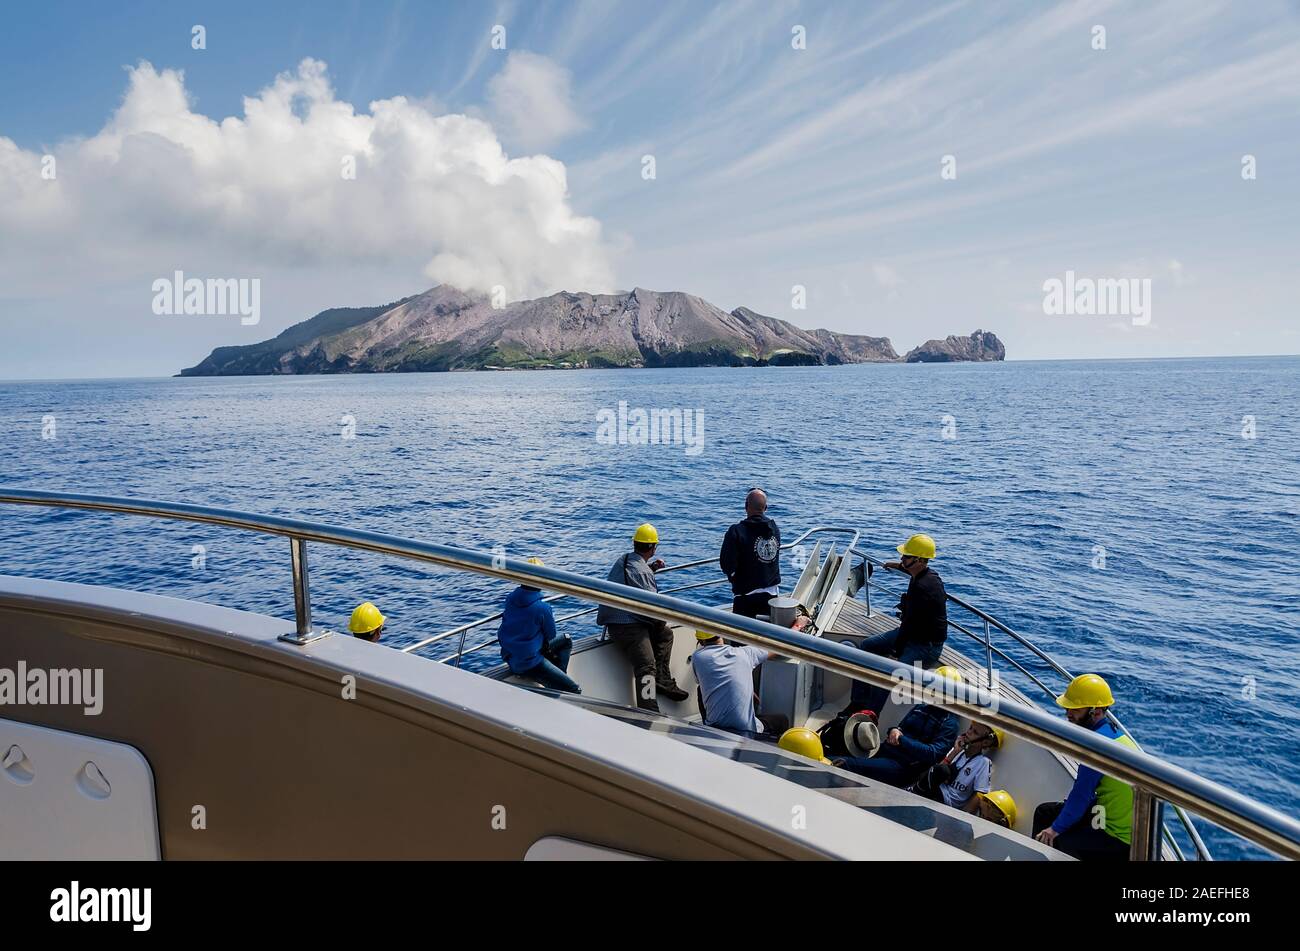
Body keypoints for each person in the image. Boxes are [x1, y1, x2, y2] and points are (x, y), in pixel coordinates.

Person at [1032, 674, 1134, 861]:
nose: (1068, 714)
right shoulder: (1113, 734)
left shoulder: (1096, 747)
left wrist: (1054, 830)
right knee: (1045, 812)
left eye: (1075, 709)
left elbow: (1081, 796)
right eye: (1068, 708)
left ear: (1095, 711)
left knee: (1060, 840)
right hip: (1109, 818)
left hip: (1119, 839)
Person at [848, 532, 948, 714]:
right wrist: (898, 566)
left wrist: (897, 651)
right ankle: (858, 701)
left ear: (919, 560)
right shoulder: (926, 575)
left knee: (889, 675)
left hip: (926, 646)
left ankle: (869, 716)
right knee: (866, 647)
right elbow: (910, 625)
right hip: (913, 634)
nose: (902, 558)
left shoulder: (922, 588)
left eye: (906, 556)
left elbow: (908, 626)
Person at [595, 523, 688, 711]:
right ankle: (649, 712)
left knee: (665, 635)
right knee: (646, 666)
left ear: (635, 544)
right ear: (653, 548)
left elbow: (632, 579)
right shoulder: (643, 572)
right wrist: (661, 621)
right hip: (628, 627)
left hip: (615, 621)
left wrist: (651, 568)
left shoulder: (624, 560)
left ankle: (662, 679)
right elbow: (653, 606)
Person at [832, 665, 961, 786]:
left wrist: (901, 739)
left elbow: (933, 754)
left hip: (904, 767)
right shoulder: (922, 706)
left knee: (845, 764)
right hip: (886, 751)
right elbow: (900, 727)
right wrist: (894, 730)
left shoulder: (950, 723)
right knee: (836, 753)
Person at [497, 557, 581, 694]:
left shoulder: (510, 599)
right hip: (530, 663)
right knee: (574, 689)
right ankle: (558, 687)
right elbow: (551, 635)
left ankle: (557, 680)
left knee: (563, 641)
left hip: (511, 658)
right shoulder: (542, 608)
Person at [690, 629, 789, 738]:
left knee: (701, 688)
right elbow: (779, 645)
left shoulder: (697, 657)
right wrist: (798, 625)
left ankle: (707, 724)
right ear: (723, 634)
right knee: (782, 720)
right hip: (745, 729)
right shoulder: (746, 654)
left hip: (715, 725)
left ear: (700, 641)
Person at [910, 722, 1003, 814]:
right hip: (934, 791)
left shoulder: (983, 763)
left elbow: (979, 794)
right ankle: (914, 791)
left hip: (947, 802)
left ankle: (913, 791)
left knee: (941, 770)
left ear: (985, 742)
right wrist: (955, 751)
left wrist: (962, 817)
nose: (969, 732)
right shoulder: (958, 750)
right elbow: (936, 769)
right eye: (970, 728)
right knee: (939, 769)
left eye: (975, 732)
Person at [720, 488, 781, 619]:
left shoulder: (737, 531)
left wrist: (734, 577)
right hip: (772, 596)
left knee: (743, 636)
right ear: (766, 508)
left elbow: (726, 564)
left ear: (746, 506)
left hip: (745, 597)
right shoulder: (774, 528)